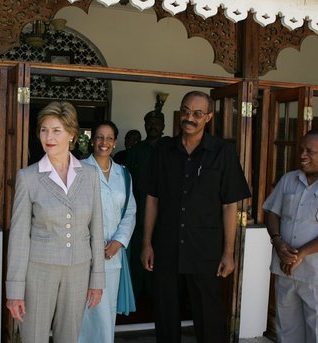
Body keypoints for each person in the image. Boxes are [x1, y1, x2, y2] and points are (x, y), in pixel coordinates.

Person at [141, 91, 251, 343]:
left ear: (209, 117)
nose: (190, 118)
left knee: (209, 313)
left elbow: (229, 206)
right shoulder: (163, 151)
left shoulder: (222, 152)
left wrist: (229, 252)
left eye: (198, 114)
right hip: (167, 245)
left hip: (205, 249)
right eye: (186, 111)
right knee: (165, 310)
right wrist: (147, 243)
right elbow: (152, 199)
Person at [6, 101, 105, 342]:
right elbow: (19, 236)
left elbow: (97, 228)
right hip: (39, 270)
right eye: (44, 130)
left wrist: (97, 278)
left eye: (56, 130)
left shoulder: (90, 175)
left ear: (72, 134)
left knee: (69, 337)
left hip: (79, 270)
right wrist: (15, 291)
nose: (48, 137)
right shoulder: (28, 177)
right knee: (33, 337)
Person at [79, 120, 136, 343]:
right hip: (85, 253)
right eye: (100, 137)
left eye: (109, 138)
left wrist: (119, 242)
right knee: (84, 310)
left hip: (112, 254)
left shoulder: (123, 174)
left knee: (106, 310)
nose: (104, 142)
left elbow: (130, 211)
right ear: (92, 140)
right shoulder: (78, 169)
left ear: (114, 142)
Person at [263, 129, 318, 343]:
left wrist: (300, 254)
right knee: (286, 329)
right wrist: (277, 241)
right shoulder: (289, 179)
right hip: (285, 271)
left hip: (314, 276)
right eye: (301, 150)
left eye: (310, 151)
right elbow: (272, 212)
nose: (302, 155)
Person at [126, 102, 166, 299]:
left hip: (165, 217)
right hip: (138, 214)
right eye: (149, 122)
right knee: (137, 255)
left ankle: (155, 295)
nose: (153, 126)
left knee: (161, 256)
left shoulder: (170, 149)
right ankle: (136, 295)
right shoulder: (135, 151)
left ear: (163, 126)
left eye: (157, 123)